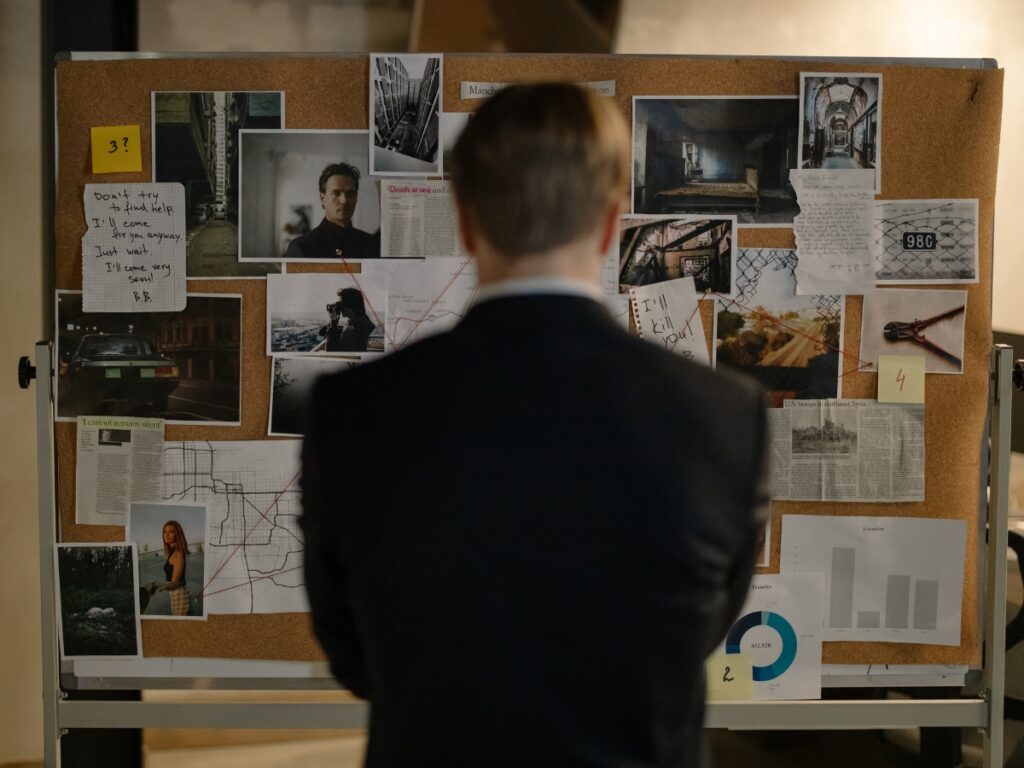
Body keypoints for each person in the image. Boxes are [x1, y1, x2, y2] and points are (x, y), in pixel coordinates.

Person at [301, 82, 767, 767]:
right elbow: (692, 633)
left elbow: (356, 658)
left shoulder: (354, 411)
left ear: (465, 222)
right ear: (611, 226)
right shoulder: (724, 416)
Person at [285, 162, 378, 260]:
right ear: (322, 199)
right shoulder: (301, 247)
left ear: (356, 198)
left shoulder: (370, 243)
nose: (344, 200)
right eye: (336, 193)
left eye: (350, 193)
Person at [146, 520, 191, 617]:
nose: (167, 535)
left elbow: (175, 583)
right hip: (174, 594)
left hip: (180, 595)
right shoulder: (172, 552)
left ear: (177, 534)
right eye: (165, 532)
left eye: (171, 532)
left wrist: (160, 586)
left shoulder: (178, 553)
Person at [319, 287, 375, 352]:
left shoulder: (356, 326)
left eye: (341, 304)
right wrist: (335, 322)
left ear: (350, 305)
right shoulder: (358, 320)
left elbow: (331, 350)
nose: (339, 308)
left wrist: (333, 322)